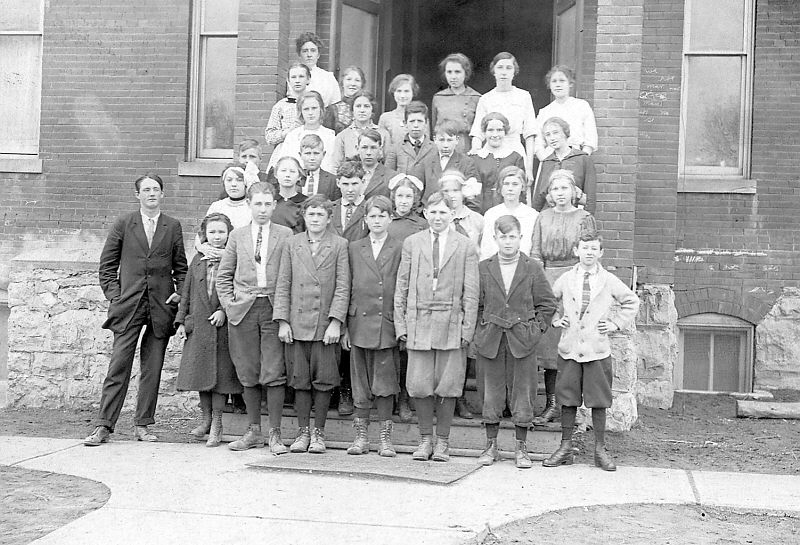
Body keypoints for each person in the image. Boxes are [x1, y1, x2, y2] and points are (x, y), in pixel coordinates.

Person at [85, 173, 188, 446]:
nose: (151, 193)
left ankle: (143, 424)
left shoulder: (172, 226)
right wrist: (115, 297)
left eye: (156, 189)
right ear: (138, 195)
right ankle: (104, 425)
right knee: (118, 365)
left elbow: (182, 268)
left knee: (152, 369)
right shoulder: (124, 223)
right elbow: (107, 266)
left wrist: (179, 294)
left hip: (161, 307)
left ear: (162, 194)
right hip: (128, 306)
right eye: (146, 190)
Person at [542, 232, 640, 471]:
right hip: (570, 349)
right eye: (585, 248)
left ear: (600, 253)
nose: (589, 253)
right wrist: (556, 320)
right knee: (567, 398)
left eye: (594, 249)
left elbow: (631, 301)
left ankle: (599, 449)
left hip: (596, 349)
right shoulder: (566, 278)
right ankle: (565, 447)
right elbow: (547, 301)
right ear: (577, 250)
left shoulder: (608, 280)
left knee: (598, 400)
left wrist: (616, 323)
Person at [394, 191, 479, 462]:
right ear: (425, 214)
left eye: (443, 212)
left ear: (452, 214)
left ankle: (442, 441)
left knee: (448, 383)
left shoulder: (464, 245)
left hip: (451, 323)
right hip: (418, 321)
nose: (438, 217)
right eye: (433, 212)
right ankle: (424, 440)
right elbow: (402, 286)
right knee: (419, 384)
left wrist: (467, 329)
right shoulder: (412, 243)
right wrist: (401, 325)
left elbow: (471, 292)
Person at [216, 182, 294, 454]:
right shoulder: (237, 236)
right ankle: (253, 430)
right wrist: (229, 305)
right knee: (247, 371)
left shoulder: (286, 234)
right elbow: (224, 275)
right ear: (249, 205)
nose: (262, 209)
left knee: (273, 371)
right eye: (257, 203)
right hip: (244, 310)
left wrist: (284, 313)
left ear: (274, 205)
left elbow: (291, 276)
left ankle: (275, 434)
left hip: (273, 308)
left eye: (267, 203)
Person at [474, 215, 556, 468]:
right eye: (503, 236)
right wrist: (481, 329)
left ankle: (521, 448)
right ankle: (491, 447)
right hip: (491, 340)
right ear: (495, 238)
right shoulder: (484, 267)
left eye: (512, 236)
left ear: (521, 238)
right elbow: (475, 304)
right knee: (491, 392)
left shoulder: (532, 267)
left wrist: (534, 331)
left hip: (522, 341)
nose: (508, 241)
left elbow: (547, 304)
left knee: (523, 393)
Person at [274, 195, 350, 454]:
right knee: (300, 380)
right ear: (304, 217)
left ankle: (319, 432)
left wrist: (335, 322)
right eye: (311, 214)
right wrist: (283, 321)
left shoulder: (340, 245)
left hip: (324, 326)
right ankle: (302, 431)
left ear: (329, 218)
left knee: (324, 379)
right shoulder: (292, 244)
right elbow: (283, 283)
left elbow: (343, 286)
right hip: (297, 323)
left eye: (320, 215)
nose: (315, 219)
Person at [531, 169, 597, 425]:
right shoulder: (543, 217)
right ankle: (551, 404)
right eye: (555, 189)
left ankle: (568, 403)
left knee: (571, 343)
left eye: (564, 188)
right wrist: (538, 287)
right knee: (549, 347)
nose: (560, 194)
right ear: (549, 194)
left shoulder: (585, 218)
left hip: (575, 280)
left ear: (573, 191)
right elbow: (536, 253)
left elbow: (590, 253)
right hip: (548, 283)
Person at [342, 195, 402, 457]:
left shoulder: (400, 248)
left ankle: (385, 438)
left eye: (382, 215)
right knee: (360, 381)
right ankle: (361, 436)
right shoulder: (354, 248)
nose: (377, 220)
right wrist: (344, 325)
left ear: (390, 218)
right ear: (365, 219)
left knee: (385, 382)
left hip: (386, 323)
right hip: (359, 324)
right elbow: (345, 287)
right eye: (372, 216)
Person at [175, 213, 242, 447]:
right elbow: (187, 292)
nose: (217, 237)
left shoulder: (234, 259)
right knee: (201, 373)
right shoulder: (198, 259)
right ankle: (205, 419)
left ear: (228, 235)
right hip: (201, 326)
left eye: (221, 232)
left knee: (221, 377)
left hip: (223, 328)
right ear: (205, 235)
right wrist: (182, 321)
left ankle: (217, 423)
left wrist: (225, 310)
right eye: (212, 232)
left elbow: (238, 289)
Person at [440, 171, 483, 419]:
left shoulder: (476, 220)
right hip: (446, 285)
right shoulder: (438, 219)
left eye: (455, 191)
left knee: (464, 343)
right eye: (446, 192)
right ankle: (444, 395)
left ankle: (460, 396)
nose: (451, 196)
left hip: (469, 282)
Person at [386, 173, 427, 422]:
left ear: (415, 199)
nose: (403, 200)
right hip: (389, 287)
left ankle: (404, 398)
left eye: (408, 196)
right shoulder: (386, 222)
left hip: (412, 290)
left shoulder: (422, 225)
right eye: (400, 196)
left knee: (406, 349)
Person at [469, 52, 538, 185]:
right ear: (493, 70)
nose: (504, 72)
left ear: (514, 72)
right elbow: (478, 132)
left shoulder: (523, 96)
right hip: (491, 152)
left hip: (515, 150)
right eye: (500, 68)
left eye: (508, 68)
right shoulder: (486, 99)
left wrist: (528, 167)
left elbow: (530, 134)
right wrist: (476, 153)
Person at [531, 117, 596, 213]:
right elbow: (539, 196)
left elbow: (590, 198)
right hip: (551, 214)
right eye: (548, 135)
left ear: (565, 133)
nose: (552, 138)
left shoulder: (583, 159)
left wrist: (586, 219)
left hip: (575, 213)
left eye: (556, 133)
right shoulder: (547, 162)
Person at [535, 65, 598, 161]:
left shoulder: (582, 106)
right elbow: (538, 141)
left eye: (562, 81)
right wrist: (545, 159)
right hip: (551, 157)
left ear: (570, 83)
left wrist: (582, 158)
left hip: (576, 156)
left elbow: (591, 137)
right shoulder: (545, 112)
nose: (558, 85)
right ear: (549, 85)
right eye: (554, 81)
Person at [413, 119, 480, 202]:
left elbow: (473, 197)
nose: (445, 145)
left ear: (457, 140)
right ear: (435, 140)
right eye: (441, 140)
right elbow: (416, 193)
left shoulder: (467, 163)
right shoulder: (426, 162)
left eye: (449, 140)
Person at [471, 112, 526, 213]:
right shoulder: (475, 159)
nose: (495, 135)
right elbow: (473, 194)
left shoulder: (516, 157)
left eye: (499, 130)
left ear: (505, 132)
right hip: (481, 209)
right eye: (490, 130)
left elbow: (521, 191)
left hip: (510, 209)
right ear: (484, 133)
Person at [480, 166, 538, 260]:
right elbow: (486, 248)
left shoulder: (532, 215)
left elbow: (533, 247)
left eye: (515, 184)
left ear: (522, 187)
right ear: (500, 187)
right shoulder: (491, 214)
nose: (510, 188)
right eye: (506, 184)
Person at [269, 91, 335, 173]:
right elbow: (285, 163)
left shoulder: (330, 136)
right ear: (301, 111)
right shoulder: (293, 136)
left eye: (314, 108)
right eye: (306, 109)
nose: (310, 113)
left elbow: (332, 165)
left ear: (321, 109)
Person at [324, 91, 389, 174]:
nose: (362, 110)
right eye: (358, 106)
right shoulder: (343, 136)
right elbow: (336, 166)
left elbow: (388, 164)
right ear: (352, 110)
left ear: (372, 109)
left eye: (366, 106)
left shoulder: (383, 134)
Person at [432, 53, 481, 155]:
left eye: (457, 72)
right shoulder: (438, 98)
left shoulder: (476, 98)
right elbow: (434, 127)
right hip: (443, 147)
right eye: (449, 72)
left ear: (466, 73)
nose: (453, 76)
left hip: (467, 148)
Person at [265, 62, 309, 165]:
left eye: (301, 76)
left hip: (307, 152)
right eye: (293, 77)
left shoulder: (314, 103)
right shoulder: (280, 106)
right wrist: (287, 132)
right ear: (288, 80)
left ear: (308, 79)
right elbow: (269, 136)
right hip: (285, 152)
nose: (297, 81)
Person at [384, 101, 436, 174]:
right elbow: (387, 175)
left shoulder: (435, 149)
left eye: (420, 121)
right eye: (412, 121)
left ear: (426, 123)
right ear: (405, 123)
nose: (416, 125)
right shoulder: (395, 148)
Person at [296, 32, 341, 108]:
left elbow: (335, 105)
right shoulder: (293, 76)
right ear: (299, 55)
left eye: (313, 50)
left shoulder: (328, 78)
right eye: (305, 51)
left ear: (318, 54)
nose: (309, 55)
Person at [330, 160, 368, 243]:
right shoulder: (330, 208)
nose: (350, 189)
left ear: (363, 182)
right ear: (338, 183)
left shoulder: (369, 209)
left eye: (354, 184)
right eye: (345, 184)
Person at [378, 74, 419, 147]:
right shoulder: (385, 118)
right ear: (393, 93)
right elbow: (382, 146)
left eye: (406, 91)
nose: (402, 95)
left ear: (413, 92)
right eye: (399, 91)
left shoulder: (420, 117)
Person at [323, 65, 366, 134]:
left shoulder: (367, 108)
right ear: (342, 82)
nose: (353, 84)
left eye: (357, 80)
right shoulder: (332, 110)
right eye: (349, 79)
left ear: (362, 84)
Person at [357, 128, 397, 201]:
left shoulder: (391, 177)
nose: (368, 152)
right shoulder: (349, 172)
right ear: (357, 149)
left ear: (380, 149)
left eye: (373, 148)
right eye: (364, 147)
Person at [271, 156, 308, 234]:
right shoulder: (269, 201)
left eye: (292, 171)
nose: (287, 175)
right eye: (283, 171)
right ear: (276, 174)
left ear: (299, 176)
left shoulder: (306, 203)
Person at [298, 134, 340, 200]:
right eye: (308, 153)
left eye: (316, 153)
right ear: (300, 155)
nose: (312, 158)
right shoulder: (295, 178)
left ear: (323, 154)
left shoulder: (332, 181)